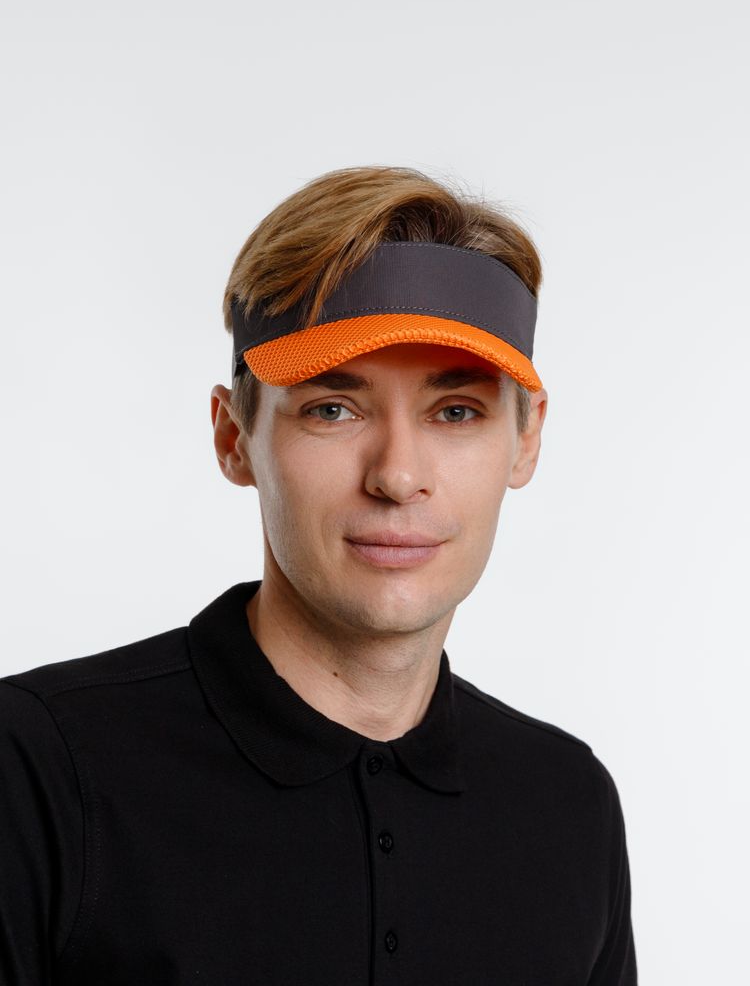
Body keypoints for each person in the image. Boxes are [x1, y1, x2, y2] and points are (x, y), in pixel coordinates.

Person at [0, 165, 637, 985]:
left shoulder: (569, 805)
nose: (398, 476)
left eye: (456, 412)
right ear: (235, 438)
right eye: (333, 409)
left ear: (526, 439)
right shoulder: (39, 770)